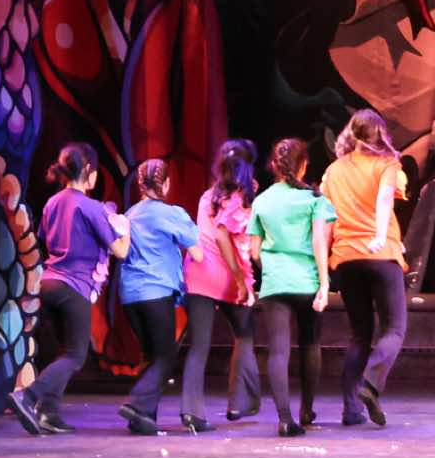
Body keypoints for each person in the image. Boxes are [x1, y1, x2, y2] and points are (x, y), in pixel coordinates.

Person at [12, 143, 131, 434]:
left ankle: (49, 413)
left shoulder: (52, 203)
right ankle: (28, 396)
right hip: (73, 287)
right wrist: (125, 228)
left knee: (66, 352)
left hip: (48, 284)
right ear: (88, 171)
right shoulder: (90, 207)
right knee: (76, 355)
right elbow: (120, 251)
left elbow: (44, 239)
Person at [322, 109, 411, 427]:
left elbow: (325, 217)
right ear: (379, 134)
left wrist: (324, 265)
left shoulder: (334, 171)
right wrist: (379, 236)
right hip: (381, 254)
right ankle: (370, 383)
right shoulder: (387, 164)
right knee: (395, 328)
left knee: (360, 334)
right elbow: (386, 197)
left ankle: (351, 410)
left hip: (346, 258)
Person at [248, 138, 336, 437]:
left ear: (274, 165)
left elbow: (253, 251)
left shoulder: (261, 201)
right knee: (310, 343)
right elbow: (320, 241)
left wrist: (272, 269)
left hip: (276, 282)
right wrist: (324, 283)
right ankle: (306, 410)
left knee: (278, 350)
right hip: (306, 281)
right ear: (304, 165)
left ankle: (285, 419)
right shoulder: (314, 200)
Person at [178, 140, 261, 433]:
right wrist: (239, 279)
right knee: (245, 332)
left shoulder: (208, 195)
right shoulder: (238, 196)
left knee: (199, 345)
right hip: (223, 276)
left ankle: (191, 412)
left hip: (197, 274)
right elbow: (224, 235)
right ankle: (240, 401)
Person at [116, 158, 201, 435]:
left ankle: (143, 418)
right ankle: (136, 403)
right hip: (157, 291)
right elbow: (198, 253)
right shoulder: (171, 214)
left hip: (130, 295)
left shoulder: (129, 214)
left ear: (140, 185)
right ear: (166, 183)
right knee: (166, 357)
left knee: (151, 355)